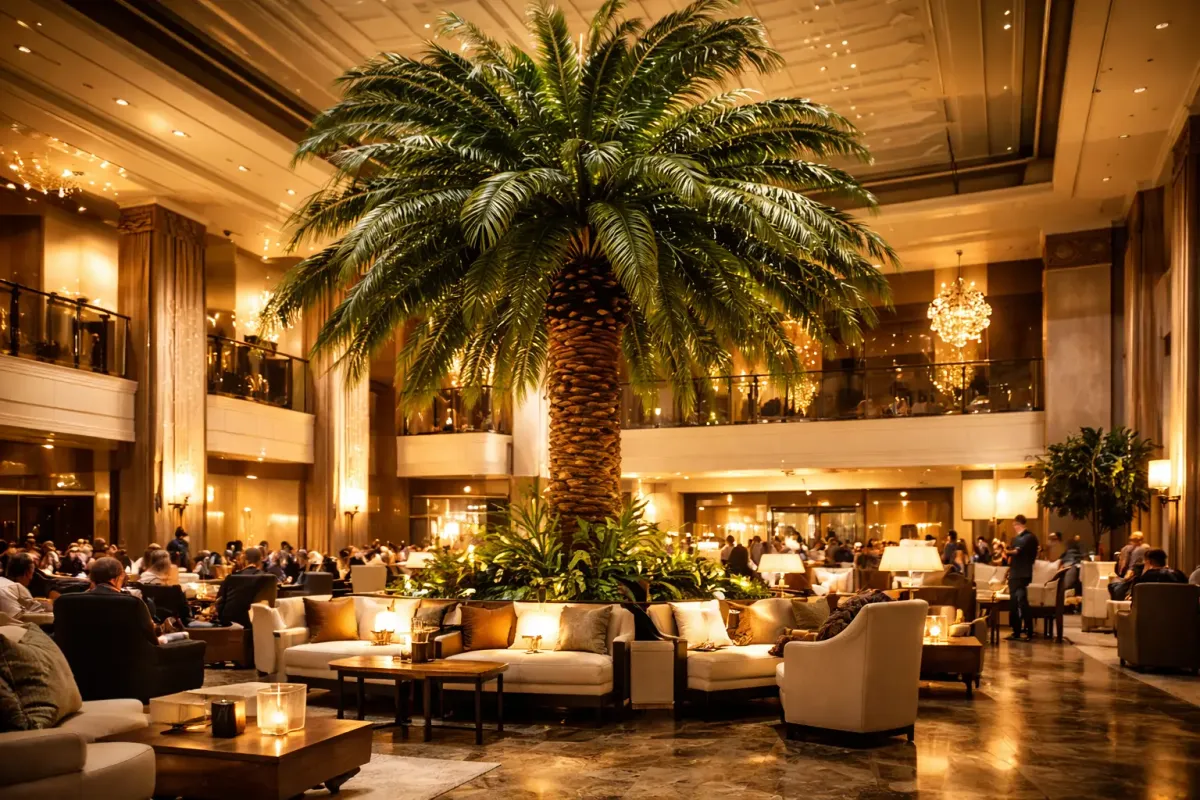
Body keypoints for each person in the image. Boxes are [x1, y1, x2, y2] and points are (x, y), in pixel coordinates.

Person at [86, 557, 159, 643]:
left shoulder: (75, 599)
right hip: (130, 650)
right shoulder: (132, 602)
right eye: (122, 575)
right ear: (114, 580)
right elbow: (150, 637)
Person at [1005, 515, 1039, 641]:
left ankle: (1018, 631)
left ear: (1017, 524)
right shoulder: (1031, 537)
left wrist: (1005, 550)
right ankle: (1025, 631)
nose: (1014, 528)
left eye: (1015, 525)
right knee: (1021, 602)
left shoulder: (1024, 538)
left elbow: (1015, 552)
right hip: (1023, 574)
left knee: (1017, 602)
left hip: (1018, 574)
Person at [0, 553, 53, 620]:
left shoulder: (2, 581)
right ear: (27, 573)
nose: (31, 578)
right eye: (32, 573)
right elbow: (36, 610)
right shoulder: (17, 587)